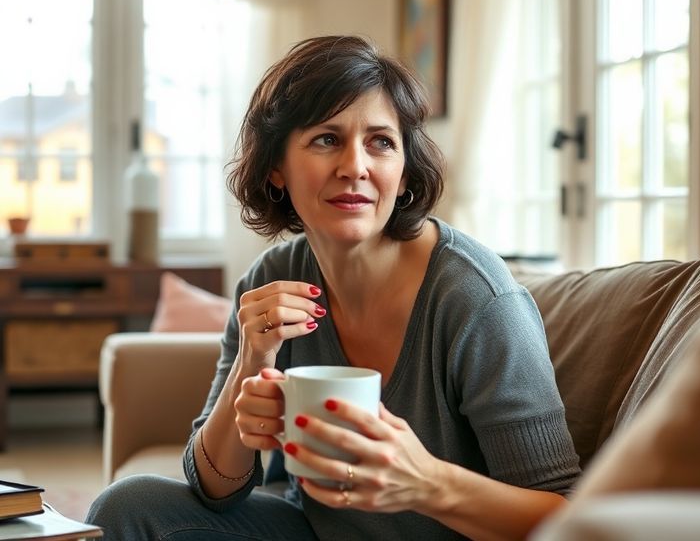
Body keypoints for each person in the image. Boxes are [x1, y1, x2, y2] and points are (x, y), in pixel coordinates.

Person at [86, 35, 580, 540]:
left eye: (381, 142)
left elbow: (568, 518)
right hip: (316, 530)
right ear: (276, 168)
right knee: (128, 507)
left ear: (404, 171)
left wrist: (427, 484)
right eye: (327, 138)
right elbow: (215, 489)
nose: (355, 167)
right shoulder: (270, 279)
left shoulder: (474, 298)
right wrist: (251, 364)